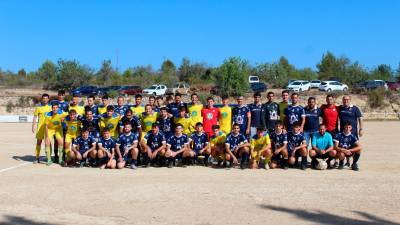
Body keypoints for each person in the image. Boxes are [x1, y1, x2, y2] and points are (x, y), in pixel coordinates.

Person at [32, 93, 51, 163]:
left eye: (46, 98)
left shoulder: (51, 107)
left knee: (47, 143)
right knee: (39, 142)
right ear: (42, 99)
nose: (45, 100)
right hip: (40, 127)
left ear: (48, 99)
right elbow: (35, 117)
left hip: (48, 128)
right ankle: (37, 158)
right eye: (44, 98)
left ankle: (48, 158)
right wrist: (33, 126)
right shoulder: (38, 107)